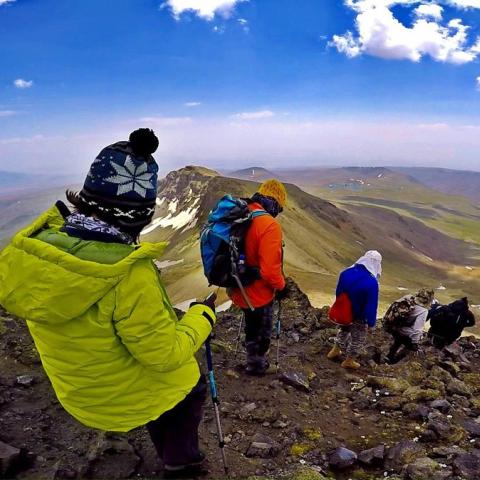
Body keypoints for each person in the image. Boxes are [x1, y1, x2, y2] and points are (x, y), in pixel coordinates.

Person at [0, 129, 216, 479]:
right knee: (190, 385)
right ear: (140, 215)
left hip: (78, 397)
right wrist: (202, 317)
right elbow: (162, 355)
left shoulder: (35, 252)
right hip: (119, 404)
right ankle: (181, 463)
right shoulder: (127, 275)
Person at [228, 179, 287, 376]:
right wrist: (282, 287)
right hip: (258, 291)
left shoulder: (245, 213)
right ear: (277, 202)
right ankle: (256, 365)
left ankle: (251, 358)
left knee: (251, 322)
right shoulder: (269, 225)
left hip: (238, 284)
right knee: (260, 328)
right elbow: (270, 271)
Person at [327, 250, 382, 369]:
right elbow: (371, 306)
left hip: (344, 311)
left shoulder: (346, 272)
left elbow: (339, 292)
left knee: (343, 330)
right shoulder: (372, 282)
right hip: (359, 315)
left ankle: (335, 350)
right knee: (358, 338)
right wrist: (371, 323)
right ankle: (349, 360)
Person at [386, 289, 435, 364]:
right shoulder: (423, 311)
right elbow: (417, 329)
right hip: (404, 330)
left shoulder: (408, 298)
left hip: (393, 326)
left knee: (398, 340)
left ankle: (389, 355)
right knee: (409, 346)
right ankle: (395, 361)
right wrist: (414, 343)